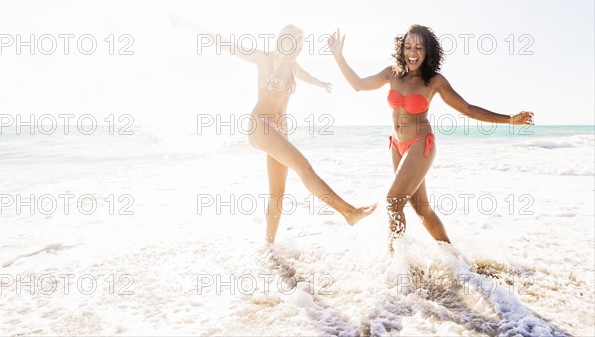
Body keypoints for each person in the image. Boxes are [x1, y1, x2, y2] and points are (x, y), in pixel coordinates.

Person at [328, 24, 534, 252]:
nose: (412, 53)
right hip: (397, 145)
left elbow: (467, 108)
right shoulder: (392, 73)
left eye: (418, 47)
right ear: (401, 49)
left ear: (428, 52)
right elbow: (358, 85)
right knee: (421, 209)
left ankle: (398, 264)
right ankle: (454, 258)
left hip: (420, 145)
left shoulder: (434, 81)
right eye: (408, 47)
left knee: (393, 202)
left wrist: (509, 120)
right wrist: (338, 56)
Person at [172, 16, 376, 244]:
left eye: (302, 43)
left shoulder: (293, 67)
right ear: (285, 41)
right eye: (296, 42)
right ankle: (349, 212)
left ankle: (268, 247)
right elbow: (227, 44)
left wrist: (320, 83)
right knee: (303, 167)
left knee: (278, 194)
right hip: (260, 125)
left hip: (280, 130)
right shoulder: (264, 59)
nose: (299, 48)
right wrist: (189, 25)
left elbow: (307, 77)